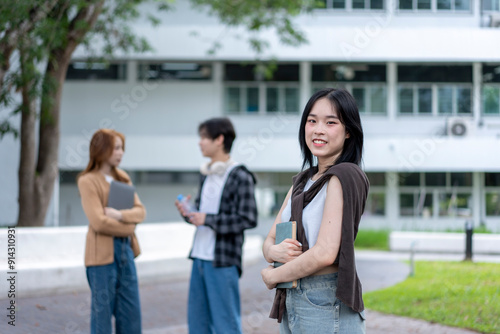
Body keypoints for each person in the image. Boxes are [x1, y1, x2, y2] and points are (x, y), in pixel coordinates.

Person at [261, 88, 369, 333]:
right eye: (312, 121)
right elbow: (269, 240)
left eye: (331, 122)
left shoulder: (345, 175)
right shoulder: (302, 181)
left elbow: (324, 253)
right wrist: (273, 250)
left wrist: (273, 276)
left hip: (324, 297)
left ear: (348, 131)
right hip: (293, 295)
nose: (318, 129)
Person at [175, 117, 258, 334]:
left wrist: (208, 220)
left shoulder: (240, 175)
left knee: (225, 325)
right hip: (199, 259)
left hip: (222, 261)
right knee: (197, 325)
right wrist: (188, 213)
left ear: (219, 139)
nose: (200, 142)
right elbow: (202, 216)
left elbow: (248, 218)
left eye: (204, 137)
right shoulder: (207, 175)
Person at [77, 129, 146, 334]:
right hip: (101, 257)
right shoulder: (87, 180)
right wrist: (129, 225)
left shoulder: (123, 178)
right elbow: (98, 222)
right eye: (116, 148)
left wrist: (119, 216)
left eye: (122, 148)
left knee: (131, 316)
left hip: (126, 252)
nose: (121, 152)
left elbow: (140, 212)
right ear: (102, 149)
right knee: (102, 317)